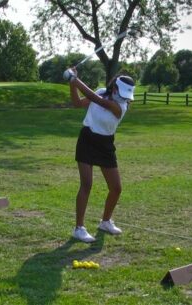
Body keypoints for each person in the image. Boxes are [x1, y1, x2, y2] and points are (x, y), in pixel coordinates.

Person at [64, 67, 135, 243]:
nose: (125, 97)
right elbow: (77, 103)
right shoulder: (103, 91)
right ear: (115, 88)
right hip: (87, 140)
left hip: (105, 144)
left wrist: (75, 79)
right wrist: (72, 85)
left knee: (116, 188)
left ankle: (105, 222)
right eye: (123, 92)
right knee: (87, 184)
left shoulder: (121, 106)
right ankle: (79, 228)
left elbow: (97, 100)